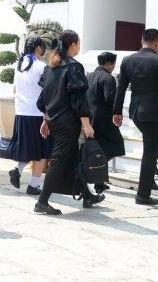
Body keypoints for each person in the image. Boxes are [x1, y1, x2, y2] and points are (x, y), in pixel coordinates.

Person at [113, 30, 158, 206]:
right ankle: (143, 194)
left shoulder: (127, 60)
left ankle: (147, 185)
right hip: (154, 113)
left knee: (150, 149)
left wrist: (116, 112)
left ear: (142, 40)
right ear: (156, 43)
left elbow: (121, 88)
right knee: (150, 152)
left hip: (137, 112)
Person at [35, 31, 98, 215]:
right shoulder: (73, 67)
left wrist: (46, 119)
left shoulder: (50, 67)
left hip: (54, 120)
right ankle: (42, 201)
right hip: (67, 122)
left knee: (73, 157)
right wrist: (86, 124)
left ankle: (87, 194)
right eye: (78, 43)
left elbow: (43, 98)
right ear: (73, 45)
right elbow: (79, 100)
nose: (79, 47)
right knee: (59, 160)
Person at [6, 36, 52, 195]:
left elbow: (14, 90)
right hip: (37, 114)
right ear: (38, 48)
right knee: (41, 151)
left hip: (21, 112)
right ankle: (33, 185)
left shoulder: (18, 65)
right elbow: (47, 93)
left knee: (29, 148)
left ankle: (17, 171)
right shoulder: (41, 67)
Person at [86, 52, 124, 195]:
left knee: (99, 149)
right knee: (116, 145)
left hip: (89, 119)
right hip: (104, 120)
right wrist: (117, 113)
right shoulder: (108, 78)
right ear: (109, 64)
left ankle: (99, 182)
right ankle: (93, 168)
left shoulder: (88, 76)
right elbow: (110, 99)